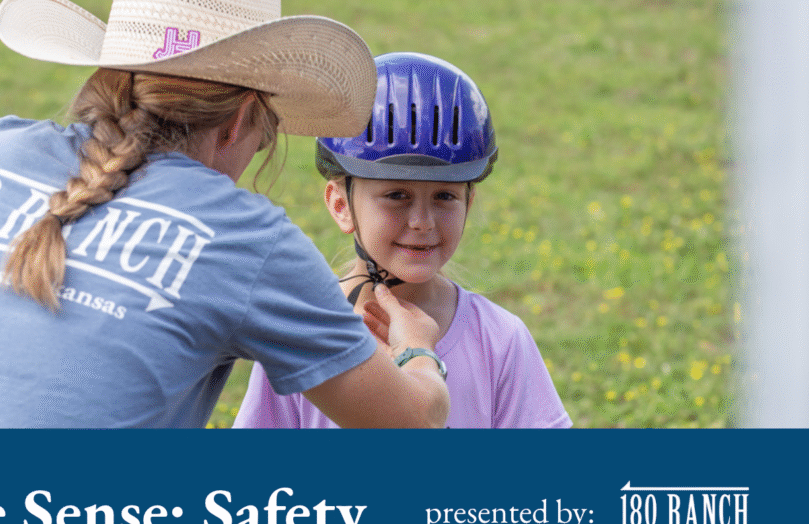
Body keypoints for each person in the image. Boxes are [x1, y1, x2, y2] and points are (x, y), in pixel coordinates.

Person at [0, 0, 451, 428]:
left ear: (108, 78)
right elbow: (410, 424)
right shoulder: (244, 238)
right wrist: (417, 349)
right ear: (239, 122)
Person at [233, 52, 572, 429]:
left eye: (445, 197)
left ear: (468, 203)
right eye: (397, 195)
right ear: (341, 204)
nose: (422, 222)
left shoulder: (501, 341)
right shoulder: (299, 335)